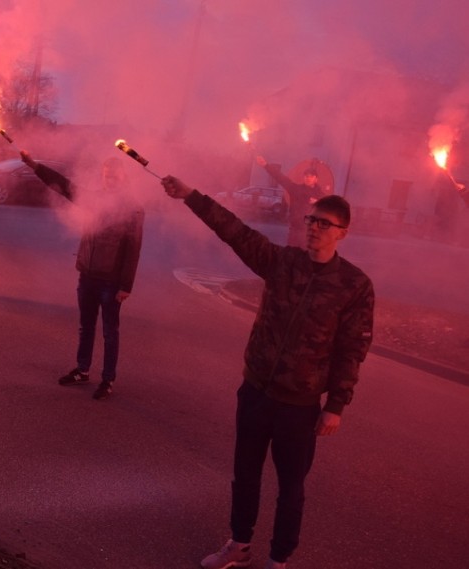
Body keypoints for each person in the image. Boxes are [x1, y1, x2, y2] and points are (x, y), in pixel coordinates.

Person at [159, 176, 374, 569]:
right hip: (256, 391)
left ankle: (279, 559)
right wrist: (191, 195)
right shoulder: (283, 263)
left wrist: (336, 405)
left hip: (300, 404)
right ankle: (239, 544)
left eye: (324, 223)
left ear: (343, 232)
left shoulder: (354, 285)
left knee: (291, 489)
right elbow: (236, 233)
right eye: (311, 220)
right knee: (245, 475)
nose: (314, 227)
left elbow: (352, 349)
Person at [20, 151, 144, 400]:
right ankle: (83, 370)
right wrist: (35, 166)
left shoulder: (133, 209)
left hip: (111, 281)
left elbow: (133, 250)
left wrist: (125, 286)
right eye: (107, 177)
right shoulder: (94, 199)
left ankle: (107, 380)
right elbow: (64, 186)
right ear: (103, 177)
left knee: (110, 332)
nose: (110, 181)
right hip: (87, 275)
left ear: (123, 177)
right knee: (85, 326)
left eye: (115, 177)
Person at [256, 156, 326, 248]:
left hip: (311, 232)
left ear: (316, 179)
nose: (308, 178)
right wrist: (266, 166)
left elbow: (329, 210)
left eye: (311, 176)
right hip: (295, 230)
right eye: (306, 176)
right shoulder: (295, 189)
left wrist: (318, 202)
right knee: (291, 255)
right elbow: (281, 178)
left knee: (306, 256)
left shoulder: (322, 196)